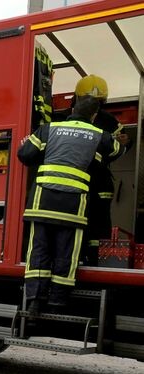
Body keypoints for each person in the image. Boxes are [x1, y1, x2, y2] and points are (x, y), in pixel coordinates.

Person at [18, 96, 121, 313]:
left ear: (72, 108)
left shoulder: (48, 129)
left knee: (39, 251)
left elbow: (25, 154)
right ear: (94, 116)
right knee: (67, 253)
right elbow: (116, 151)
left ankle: (35, 301)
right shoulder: (98, 135)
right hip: (73, 207)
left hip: (42, 203)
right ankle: (57, 303)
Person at [69, 75, 133, 265]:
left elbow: (124, 144)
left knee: (95, 222)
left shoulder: (71, 118)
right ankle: (89, 259)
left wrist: (124, 144)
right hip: (87, 181)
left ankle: (90, 259)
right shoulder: (104, 120)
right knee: (93, 222)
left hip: (88, 182)